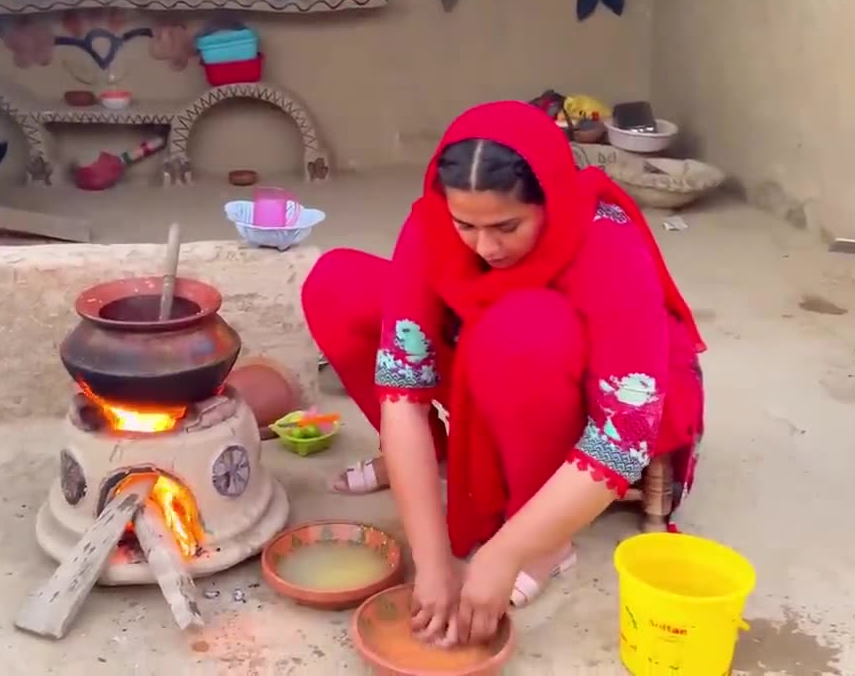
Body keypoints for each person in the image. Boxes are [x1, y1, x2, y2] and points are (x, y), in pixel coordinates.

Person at [301, 101, 706, 647]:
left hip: (568, 381)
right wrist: (434, 558)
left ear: (550, 201)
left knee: (521, 329)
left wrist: (507, 551)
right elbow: (402, 392)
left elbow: (623, 436)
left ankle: (545, 538)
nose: (485, 247)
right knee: (338, 282)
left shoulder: (606, 244)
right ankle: (438, 449)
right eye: (465, 224)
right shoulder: (432, 226)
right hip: (480, 349)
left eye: (506, 226)